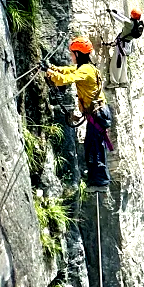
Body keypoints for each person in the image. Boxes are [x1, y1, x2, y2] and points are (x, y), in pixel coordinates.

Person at [47, 38, 112, 188]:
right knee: (92, 146)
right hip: (98, 113)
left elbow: (65, 79)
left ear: (77, 53)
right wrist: (52, 68)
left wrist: (49, 72)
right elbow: (68, 70)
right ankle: (97, 180)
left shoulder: (85, 70)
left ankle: (100, 183)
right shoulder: (86, 67)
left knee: (94, 148)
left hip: (97, 114)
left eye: (72, 53)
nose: (71, 56)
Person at [108, 8, 144, 86]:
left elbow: (120, 19)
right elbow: (125, 19)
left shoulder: (130, 23)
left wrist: (111, 13)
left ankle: (114, 82)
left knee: (116, 63)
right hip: (127, 45)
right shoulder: (137, 24)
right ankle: (123, 81)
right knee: (123, 63)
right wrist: (117, 12)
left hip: (122, 45)